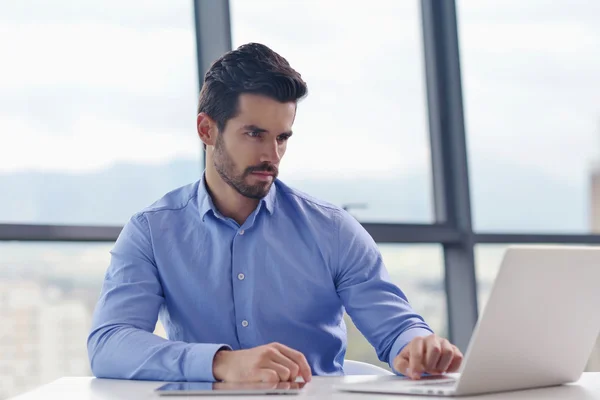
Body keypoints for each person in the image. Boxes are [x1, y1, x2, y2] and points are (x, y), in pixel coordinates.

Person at [87, 42, 463, 384]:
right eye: (255, 134)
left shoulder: (332, 230)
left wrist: (419, 346)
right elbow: (109, 343)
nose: (272, 155)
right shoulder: (152, 231)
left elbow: (397, 328)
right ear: (207, 130)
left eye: (282, 137)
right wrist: (222, 363)